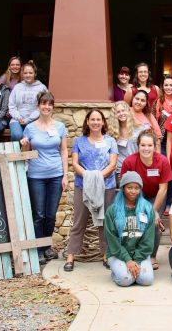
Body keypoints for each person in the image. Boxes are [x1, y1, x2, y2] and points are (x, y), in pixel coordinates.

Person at [64, 109, 118, 272]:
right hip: (83, 186)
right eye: (92, 119)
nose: (95, 122)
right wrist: (90, 177)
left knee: (105, 222)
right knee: (79, 221)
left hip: (106, 186)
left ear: (103, 122)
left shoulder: (110, 141)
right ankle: (70, 256)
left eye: (98, 119)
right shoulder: (79, 142)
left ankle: (106, 255)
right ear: (87, 122)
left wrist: (98, 177)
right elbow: (75, 163)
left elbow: (113, 164)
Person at [20, 92, 68, 264]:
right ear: (38, 105)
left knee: (51, 214)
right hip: (36, 175)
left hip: (56, 175)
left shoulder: (60, 127)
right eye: (43, 103)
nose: (46, 107)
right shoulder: (30, 128)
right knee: (39, 214)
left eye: (50, 104)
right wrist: (24, 147)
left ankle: (47, 245)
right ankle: (39, 249)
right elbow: (26, 155)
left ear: (53, 107)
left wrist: (65, 175)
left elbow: (63, 150)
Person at [121, 129, 172, 270]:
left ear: (155, 146)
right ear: (138, 146)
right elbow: (126, 188)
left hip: (157, 196)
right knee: (135, 222)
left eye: (149, 145)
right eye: (143, 145)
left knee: (154, 222)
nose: (146, 148)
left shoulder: (162, 161)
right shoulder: (129, 162)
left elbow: (164, 189)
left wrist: (154, 211)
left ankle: (153, 255)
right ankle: (132, 253)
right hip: (135, 196)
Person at [104, 171, 155, 287]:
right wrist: (127, 260)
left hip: (140, 254)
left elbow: (148, 239)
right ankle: (117, 273)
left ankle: (130, 272)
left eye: (136, 188)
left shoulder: (147, 209)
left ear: (140, 189)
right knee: (125, 279)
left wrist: (136, 261)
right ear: (123, 188)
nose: (133, 191)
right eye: (129, 187)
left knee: (147, 280)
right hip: (118, 254)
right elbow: (112, 240)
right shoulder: (112, 210)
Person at [8, 60, 48, 141]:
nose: (28, 75)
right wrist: (18, 117)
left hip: (34, 119)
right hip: (17, 119)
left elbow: (42, 107)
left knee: (30, 137)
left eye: (30, 73)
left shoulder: (42, 88)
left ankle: (28, 153)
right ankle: (16, 154)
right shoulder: (17, 87)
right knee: (16, 135)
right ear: (22, 74)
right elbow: (12, 105)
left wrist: (28, 119)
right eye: (25, 73)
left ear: (35, 74)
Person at [109, 101, 139, 184]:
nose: (121, 113)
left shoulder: (139, 129)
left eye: (123, 110)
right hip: (120, 170)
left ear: (128, 111)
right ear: (114, 115)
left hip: (136, 168)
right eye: (118, 112)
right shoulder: (112, 133)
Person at [152, 75, 172, 156]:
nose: (168, 87)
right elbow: (152, 121)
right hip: (162, 140)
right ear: (162, 87)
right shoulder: (157, 102)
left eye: (171, 85)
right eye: (166, 85)